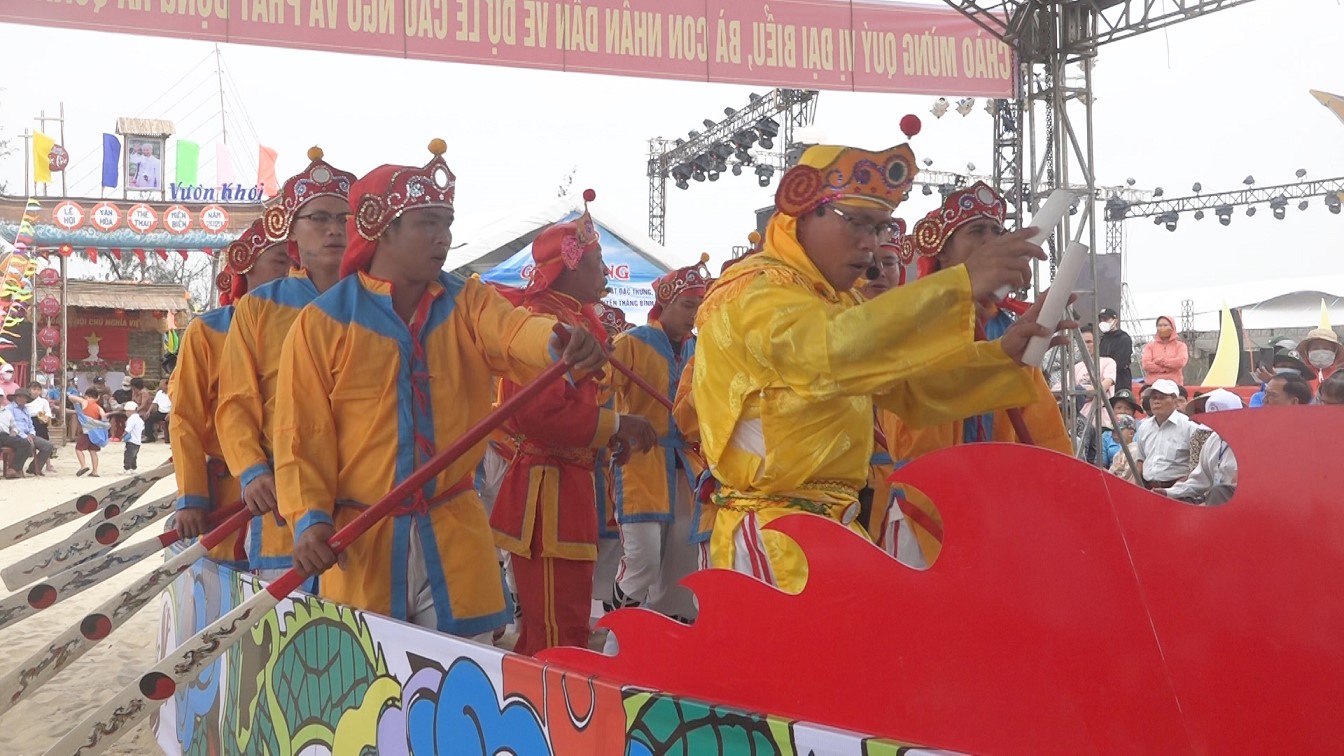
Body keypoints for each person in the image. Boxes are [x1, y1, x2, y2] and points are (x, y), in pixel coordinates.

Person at [275, 139, 609, 640]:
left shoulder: (469, 301)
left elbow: (514, 331)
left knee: (460, 674)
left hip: (454, 535)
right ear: (383, 229)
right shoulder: (322, 323)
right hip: (362, 542)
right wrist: (309, 520)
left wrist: (556, 340)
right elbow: (302, 434)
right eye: (427, 223)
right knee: (373, 678)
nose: (443, 238)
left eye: (447, 223)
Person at [692, 145, 1063, 592]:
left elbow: (911, 389)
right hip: (774, 540)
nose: (869, 243)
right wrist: (960, 284)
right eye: (857, 222)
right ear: (804, 211)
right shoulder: (755, 291)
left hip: (832, 530)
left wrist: (1003, 356)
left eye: (878, 226)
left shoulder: (834, 301)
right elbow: (829, 354)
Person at [869, 183, 1074, 566]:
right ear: (943, 251)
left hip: (998, 510)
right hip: (924, 507)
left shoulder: (1007, 327)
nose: (990, 241)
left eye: (997, 231)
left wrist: (1060, 493)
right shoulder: (914, 321)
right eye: (976, 231)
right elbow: (914, 428)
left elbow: (1041, 429)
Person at [489, 189, 658, 655]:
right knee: (554, 634)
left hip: (571, 486)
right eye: (598, 261)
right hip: (546, 494)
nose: (605, 272)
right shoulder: (541, 321)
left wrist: (606, 436)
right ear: (570, 265)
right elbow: (536, 415)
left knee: (569, 626)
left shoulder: (576, 319)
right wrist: (616, 426)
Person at [217, 147, 355, 579]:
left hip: (365, 500)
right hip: (284, 498)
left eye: (345, 218)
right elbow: (236, 402)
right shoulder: (259, 308)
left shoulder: (378, 302)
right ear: (291, 229)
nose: (334, 229)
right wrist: (252, 472)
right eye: (320, 219)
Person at [170, 218, 291, 566]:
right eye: (281, 261)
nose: (292, 272)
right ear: (245, 263)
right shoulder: (207, 331)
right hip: (228, 493)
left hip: (294, 484)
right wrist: (192, 496)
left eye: (296, 262)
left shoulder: (311, 321)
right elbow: (185, 418)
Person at [608, 258, 711, 623]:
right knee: (643, 562)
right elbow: (601, 388)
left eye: (698, 307)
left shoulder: (701, 349)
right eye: (687, 305)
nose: (693, 315)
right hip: (640, 463)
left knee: (680, 569)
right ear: (665, 303)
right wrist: (612, 429)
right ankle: (616, 637)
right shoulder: (631, 343)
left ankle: (658, 642)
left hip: (687, 469)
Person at [1159, 388, 1241, 505]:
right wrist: (1169, 492)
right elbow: (1199, 481)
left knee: (1219, 492)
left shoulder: (1249, 443)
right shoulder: (1213, 440)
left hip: (1240, 503)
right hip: (1213, 500)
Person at [1133, 379, 1194, 489]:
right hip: (1148, 488)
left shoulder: (1189, 427)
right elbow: (1140, 460)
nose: (1156, 401)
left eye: (1162, 397)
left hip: (1179, 490)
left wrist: (1179, 487)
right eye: (1153, 398)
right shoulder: (1144, 427)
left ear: (1175, 401)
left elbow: (1198, 465)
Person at [68, 388, 108, 477]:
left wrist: (80, 398)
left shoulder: (84, 402)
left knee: (78, 449)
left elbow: (71, 397)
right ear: (97, 398)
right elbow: (104, 418)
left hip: (86, 432)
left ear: (86, 396)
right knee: (93, 452)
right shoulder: (99, 408)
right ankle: (95, 471)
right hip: (95, 433)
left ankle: (83, 465)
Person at [1141, 316, 1188, 385]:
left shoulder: (1180, 346)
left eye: (1165, 325)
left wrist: (1160, 361)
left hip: (1174, 385)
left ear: (1172, 327)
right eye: (1159, 326)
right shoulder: (1150, 346)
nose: (1162, 328)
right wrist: (1165, 369)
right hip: (1153, 385)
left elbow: (1180, 362)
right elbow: (1146, 364)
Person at [1098, 308, 1134, 393]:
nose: (1103, 322)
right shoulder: (1102, 339)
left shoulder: (1124, 338)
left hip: (1120, 381)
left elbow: (1121, 362)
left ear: (1115, 320)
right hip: (1104, 380)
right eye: (1101, 320)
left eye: (1106, 319)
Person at [0, 404, 32, 479]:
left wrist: (14, 431)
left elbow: (14, 426)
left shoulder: (7, 412)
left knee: (25, 444)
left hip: (5, 435)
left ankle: (14, 469)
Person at [142, 378, 172, 442]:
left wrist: (170, 413)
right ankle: (150, 437)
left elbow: (174, 405)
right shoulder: (159, 393)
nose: (160, 385)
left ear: (167, 385)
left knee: (170, 420)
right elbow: (154, 403)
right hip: (160, 412)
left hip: (169, 412)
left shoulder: (172, 393)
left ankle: (169, 438)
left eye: (161, 384)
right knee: (148, 418)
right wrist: (148, 411)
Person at [122, 400, 144, 472]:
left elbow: (128, 429)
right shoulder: (139, 418)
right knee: (134, 456)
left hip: (131, 440)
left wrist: (123, 436)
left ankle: (126, 468)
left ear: (129, 411)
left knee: (128, 455)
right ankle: (133, 468)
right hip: (138, 441)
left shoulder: (131, 419)